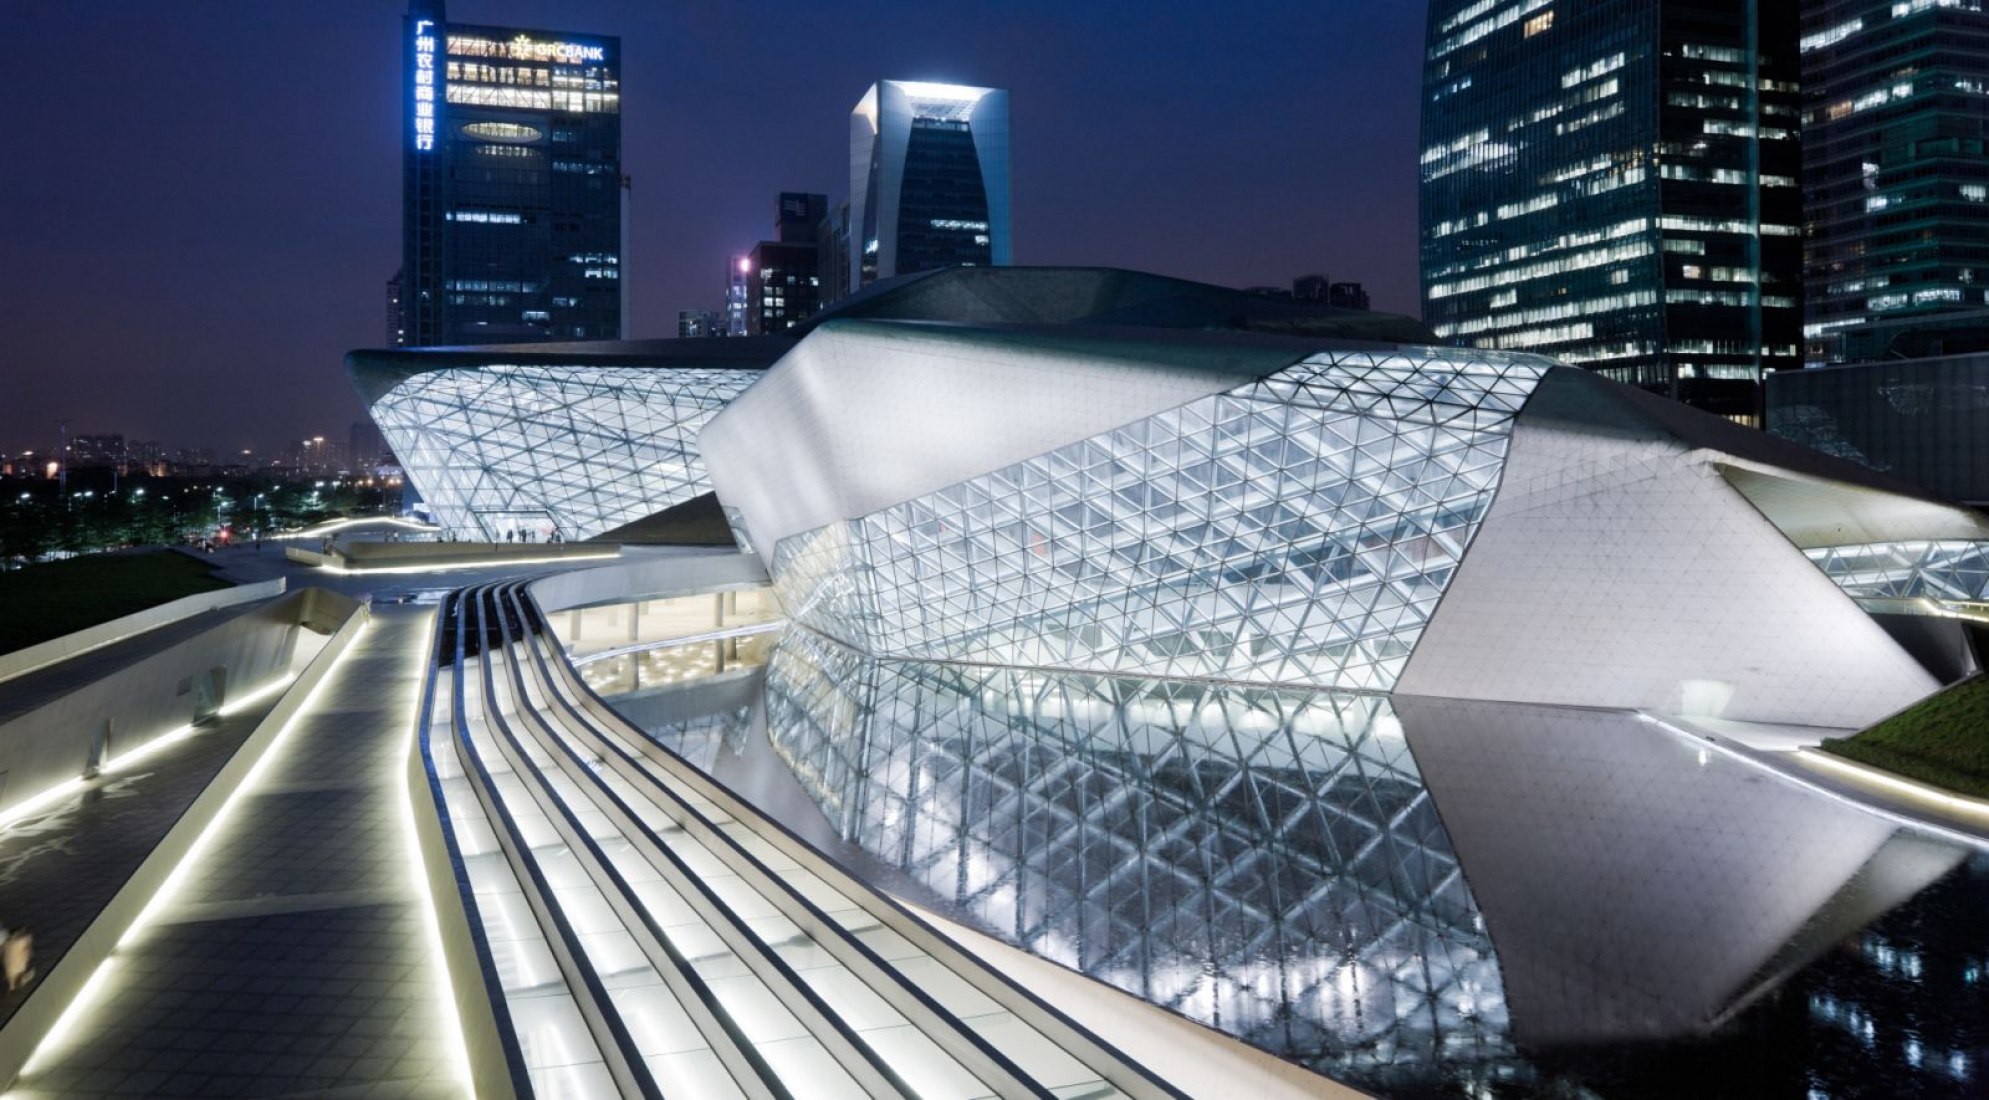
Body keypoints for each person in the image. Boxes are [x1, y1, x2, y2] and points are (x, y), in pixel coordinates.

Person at [4, 927, 33, 992]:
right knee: (20, 972)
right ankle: (20, 982)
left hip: (10, 969)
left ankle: (12, 986)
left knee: (12, 976)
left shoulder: (7, 943)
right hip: (18, 965)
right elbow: (26, 945)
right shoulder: (19, 942)